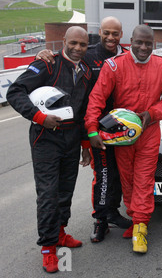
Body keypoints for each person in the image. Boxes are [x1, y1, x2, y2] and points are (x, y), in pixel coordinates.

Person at [84, 24, 162, 254]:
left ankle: (140, 227)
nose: (144, 47)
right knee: (127, 180)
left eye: (148, 43)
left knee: (144, 178)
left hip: (150, 132)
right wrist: (92, 131)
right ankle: (135, 217)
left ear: (153, 44)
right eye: (139, 42)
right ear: (130, 41)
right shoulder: (114, 65)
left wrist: (152, 113)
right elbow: (96, 99)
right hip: (121, 135)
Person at [36, 17, 132, 243]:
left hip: (124, 127)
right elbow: (65, 59)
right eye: (106, 32)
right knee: (104, 174)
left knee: (120, 174)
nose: (111, 37)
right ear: (100, 32)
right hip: (96, 127)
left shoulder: (127, 55)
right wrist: (41, 55)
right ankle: (100, 219)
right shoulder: (88, 54)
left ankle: (113, 212)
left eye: (115, 33)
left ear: (121, 34)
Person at [7, 26, 93, 273]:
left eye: (83, 45)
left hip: (72, 139)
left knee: (66, 190)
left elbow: (84, 111)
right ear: (63, 41)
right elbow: (14, 92)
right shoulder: (47, 64)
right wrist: (39, 116)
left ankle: (60, 232)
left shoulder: (86, 70)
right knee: (48, 194)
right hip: (46, 139)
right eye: (73, 43)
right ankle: (47, 248)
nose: (77, 48)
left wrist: (85, 145)